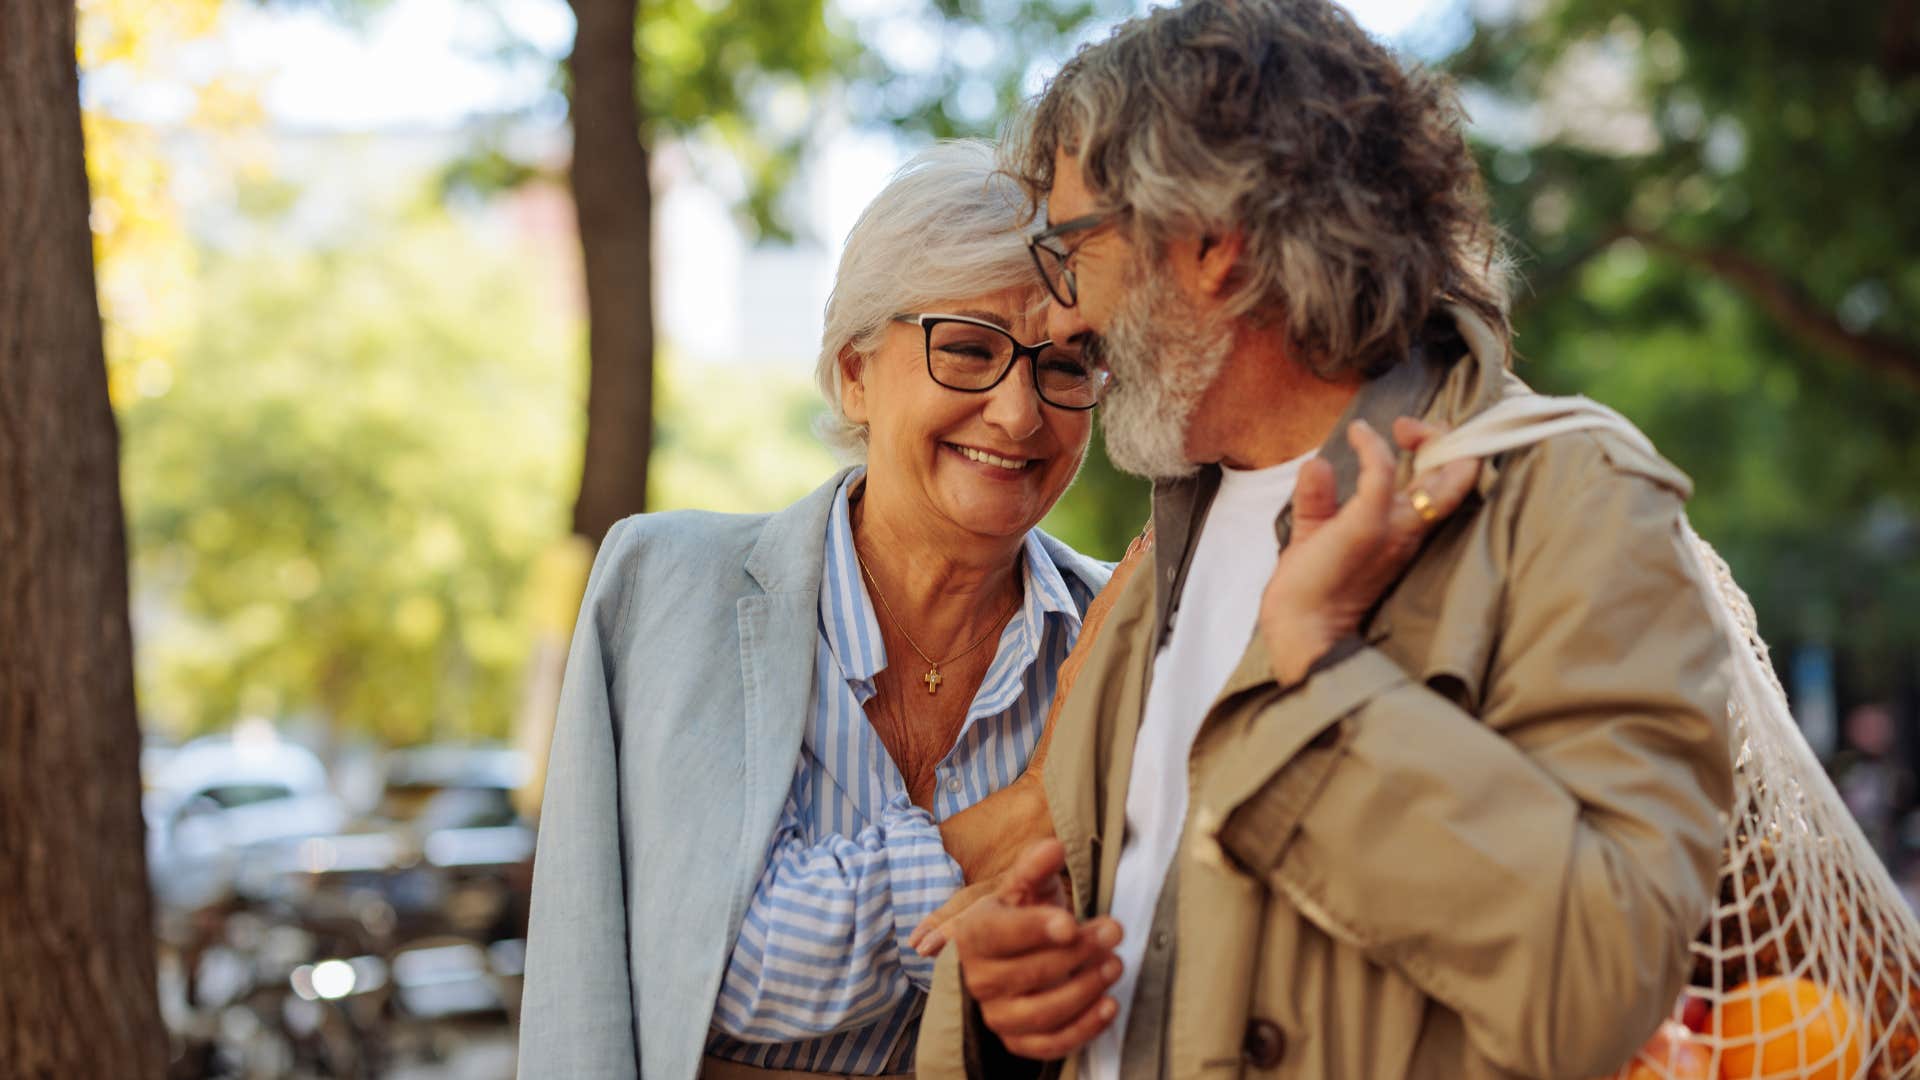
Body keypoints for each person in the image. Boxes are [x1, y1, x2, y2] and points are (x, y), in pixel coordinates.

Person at [916, 3, 1737, 1077]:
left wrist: (1320, 673)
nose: (1064, 317)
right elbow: (1097, 939)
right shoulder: (1158, 554)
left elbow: (1597, 989)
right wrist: (1001, 1008)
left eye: (1075, 251)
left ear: (1211, 245)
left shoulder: (1572, 501)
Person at [518, 140, 1116, 1079]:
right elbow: (705, 972)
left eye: (1069, 364)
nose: (1018, 413)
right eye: (967, 349)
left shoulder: (1121, 630)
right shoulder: (667, 588)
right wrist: (1023, 813)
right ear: (854, 372)